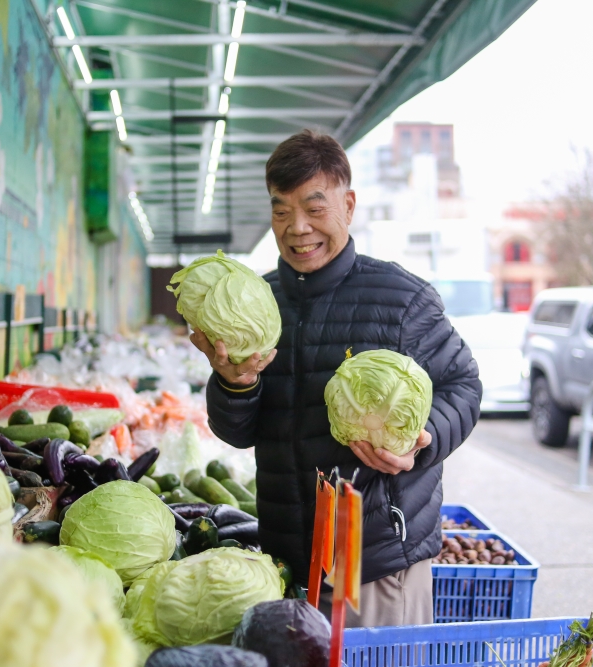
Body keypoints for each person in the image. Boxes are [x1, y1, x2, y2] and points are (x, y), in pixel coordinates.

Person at [191, 129, 482, 628]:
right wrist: (234, 384)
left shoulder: (402, 299)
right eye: (281, 211)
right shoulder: (257, 305)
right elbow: (238, 432)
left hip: (377, 562)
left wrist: (424, 437)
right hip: (287, 561)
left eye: (314, 207)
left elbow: (464, 386)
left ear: (348, 205)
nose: (297, 227)